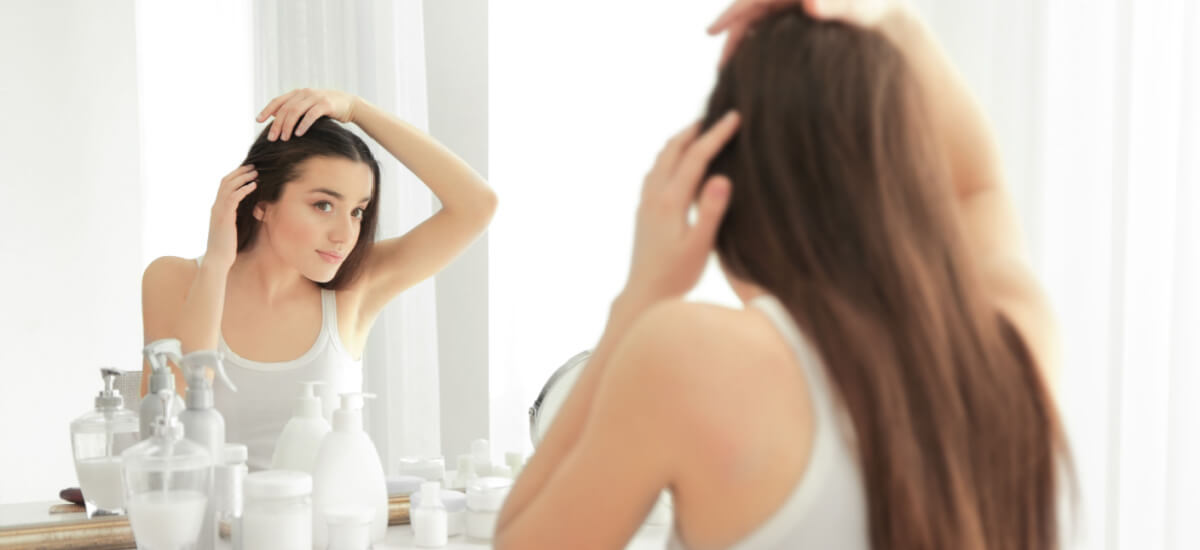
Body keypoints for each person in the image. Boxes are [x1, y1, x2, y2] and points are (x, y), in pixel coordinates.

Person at [495, 1, 1070, 549]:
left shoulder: (689, 358)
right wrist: (888, 15)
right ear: (913, 177)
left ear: (723, 188)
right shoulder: (1012, 339)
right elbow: (979, 187)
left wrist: (642, 291)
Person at [140, 88, 496, 469]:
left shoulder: (356, 288)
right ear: (261, 202)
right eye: (323, 205)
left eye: (357, 211)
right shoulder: (173, 278)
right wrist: (215, 265)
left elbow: (477, 205)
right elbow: (170, 426)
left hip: (326, 525)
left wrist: (357, 109)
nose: (345, 234)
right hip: (209, 525)